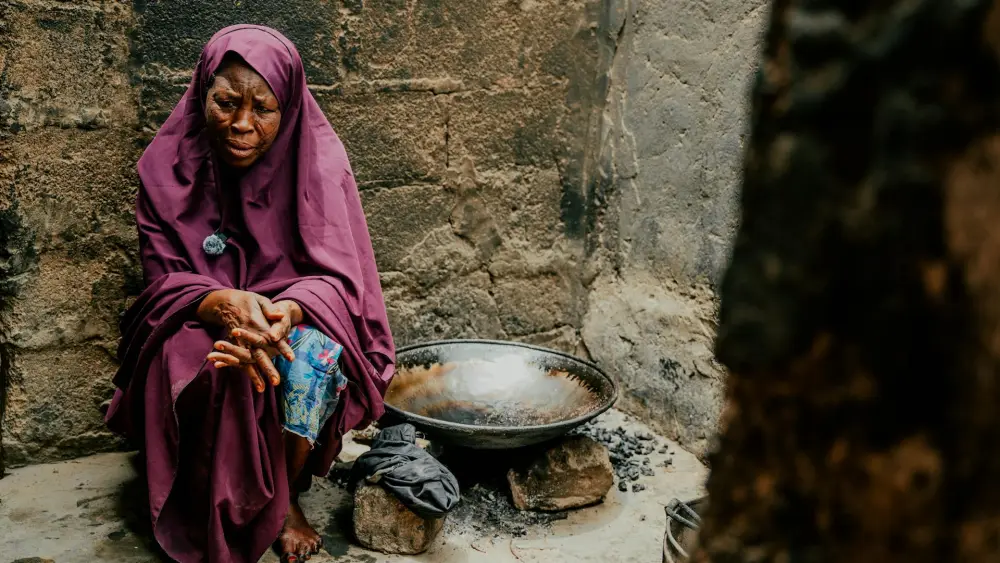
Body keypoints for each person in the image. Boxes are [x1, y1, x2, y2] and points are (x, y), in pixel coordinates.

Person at [105, 25, 395, 563]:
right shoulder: (164, 170)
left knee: (311, 358)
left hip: (286, 318)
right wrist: (225, 305)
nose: (241, 124)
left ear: (287, 109)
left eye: (263, 108)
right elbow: (162, 284)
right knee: (199, 360)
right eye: (226, 103)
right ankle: (202, 492)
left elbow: (341, 279)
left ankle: (282, 499)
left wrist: (286, 311)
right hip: (198, 316)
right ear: (200, 96)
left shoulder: (321, 168)